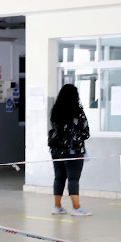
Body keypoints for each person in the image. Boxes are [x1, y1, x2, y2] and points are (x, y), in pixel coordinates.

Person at [47, 84, 91, 216]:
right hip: (73, 151)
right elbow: (86, 133)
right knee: (73, 179)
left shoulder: (55, 111)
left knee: (59, 178)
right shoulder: (78, 112)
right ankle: (76, 208)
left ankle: (57, 206)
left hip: (56, 150)